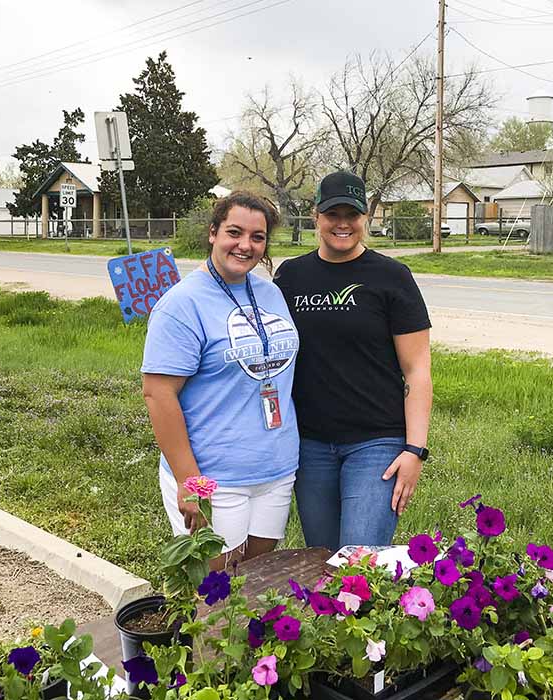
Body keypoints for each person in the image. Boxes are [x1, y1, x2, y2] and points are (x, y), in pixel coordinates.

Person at [274, 171, 432, 552]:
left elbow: (417, 370)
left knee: (359, 564)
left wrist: (415, 451)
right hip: (309, 443)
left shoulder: (391, 277)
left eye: (352, 214)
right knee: (322, 560)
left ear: (366, 218)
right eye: (333, 214)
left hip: (375, 442)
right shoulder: (291, 277)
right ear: (316, 216)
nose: (342, 223)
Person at [141, 192, 300, 568]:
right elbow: (158, 393)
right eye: (234, 232)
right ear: (213, 233)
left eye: (257, 237)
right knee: (216, 591)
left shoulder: (271, 293)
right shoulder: (182, 304)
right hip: (215, 474)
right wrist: (188, 481)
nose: (245, 245)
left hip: (274, 468)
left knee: (254, 579)